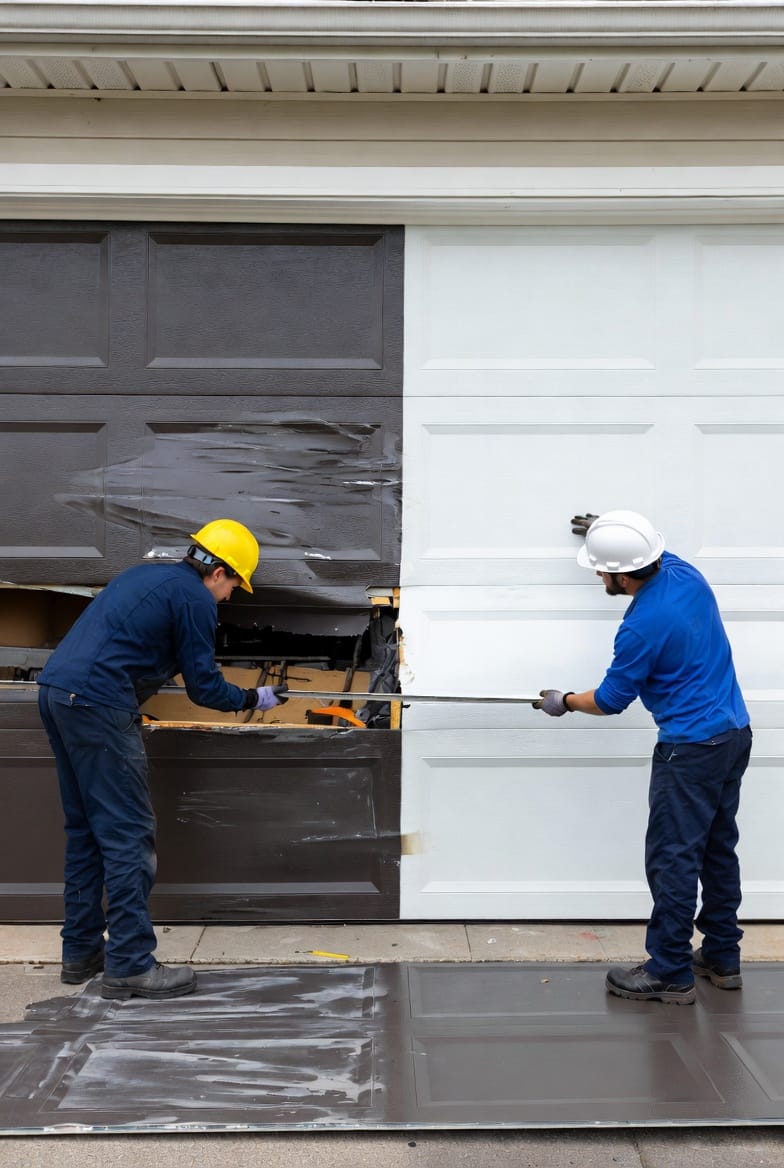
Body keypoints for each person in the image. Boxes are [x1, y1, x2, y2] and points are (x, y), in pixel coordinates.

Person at [36, 519, 288, 1001]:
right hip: (97, 705)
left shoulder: (141, 576)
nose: (231, 597)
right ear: (219, 573)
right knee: (129, 834)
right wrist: (256, 698)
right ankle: (130, 964)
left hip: (56, 694)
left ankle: (82, 953)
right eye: (235, 584)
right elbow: (204, 687)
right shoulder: (194, 599)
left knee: (86, 830)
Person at [534, 510, 751, 1005]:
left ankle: (670, 971)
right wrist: (609, 528)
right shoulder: (684, 574)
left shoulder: (643, 625)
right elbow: (648, 547)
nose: (597, 574)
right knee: (717, 849)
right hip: (734, 735)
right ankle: (722, 955)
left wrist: (563, 701)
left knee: (673, 858)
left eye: (601, 567)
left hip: (691, 750)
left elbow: (611, 700)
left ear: (623, 574)